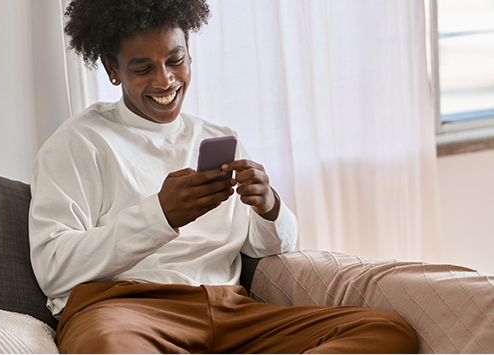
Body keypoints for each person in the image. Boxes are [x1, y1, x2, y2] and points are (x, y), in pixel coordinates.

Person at [28, 0, 418, 354]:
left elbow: (267, 251)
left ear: (190, 58)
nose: (164, 81)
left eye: (175, 60)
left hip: (229, 310)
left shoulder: (216, 138)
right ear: (113, 70)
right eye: (143, 68)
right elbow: (53, 269)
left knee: (384, 331)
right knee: (108, 348)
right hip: (125, 313)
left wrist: (269, 208)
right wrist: (161, 216)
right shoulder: (80, 143)